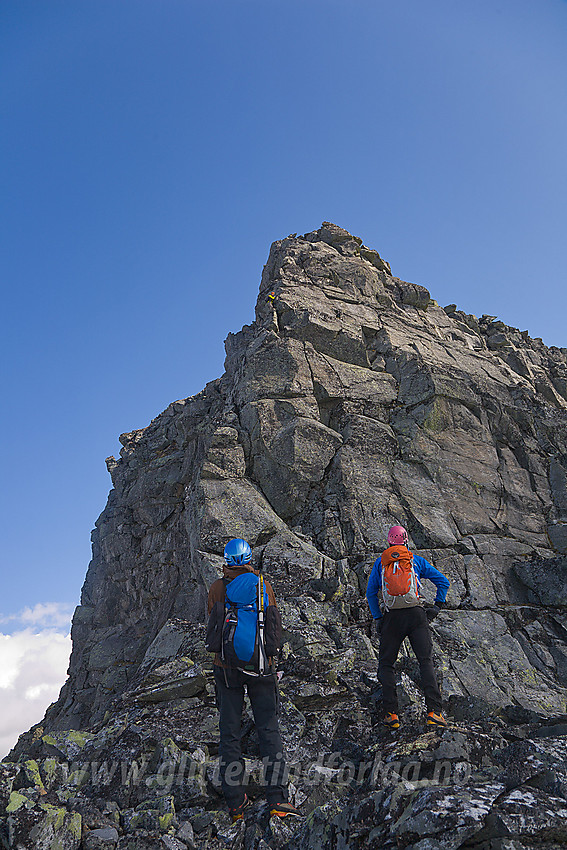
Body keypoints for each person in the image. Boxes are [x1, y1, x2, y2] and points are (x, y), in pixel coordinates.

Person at [207, 538, 301, 821]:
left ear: (226, 560)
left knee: (229, 734)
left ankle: (236, 804)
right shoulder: (263, 586)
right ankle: (277, 799)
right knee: (268, 729)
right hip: (262, 668)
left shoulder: (217, 588)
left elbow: (212, 626)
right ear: (249, 558)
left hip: (226, 669)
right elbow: (273, 625)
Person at [366, 525, 450, 729]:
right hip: (416, 615)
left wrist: (378, 618)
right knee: (425, 661)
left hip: (392, 618)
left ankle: (391, 714)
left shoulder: (381, 563)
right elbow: (443, 582)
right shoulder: (416, 560)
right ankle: (434, 712)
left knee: (386, 665)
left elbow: (370, 593)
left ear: (388, 542)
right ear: (405, 541)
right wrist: (437, 607)